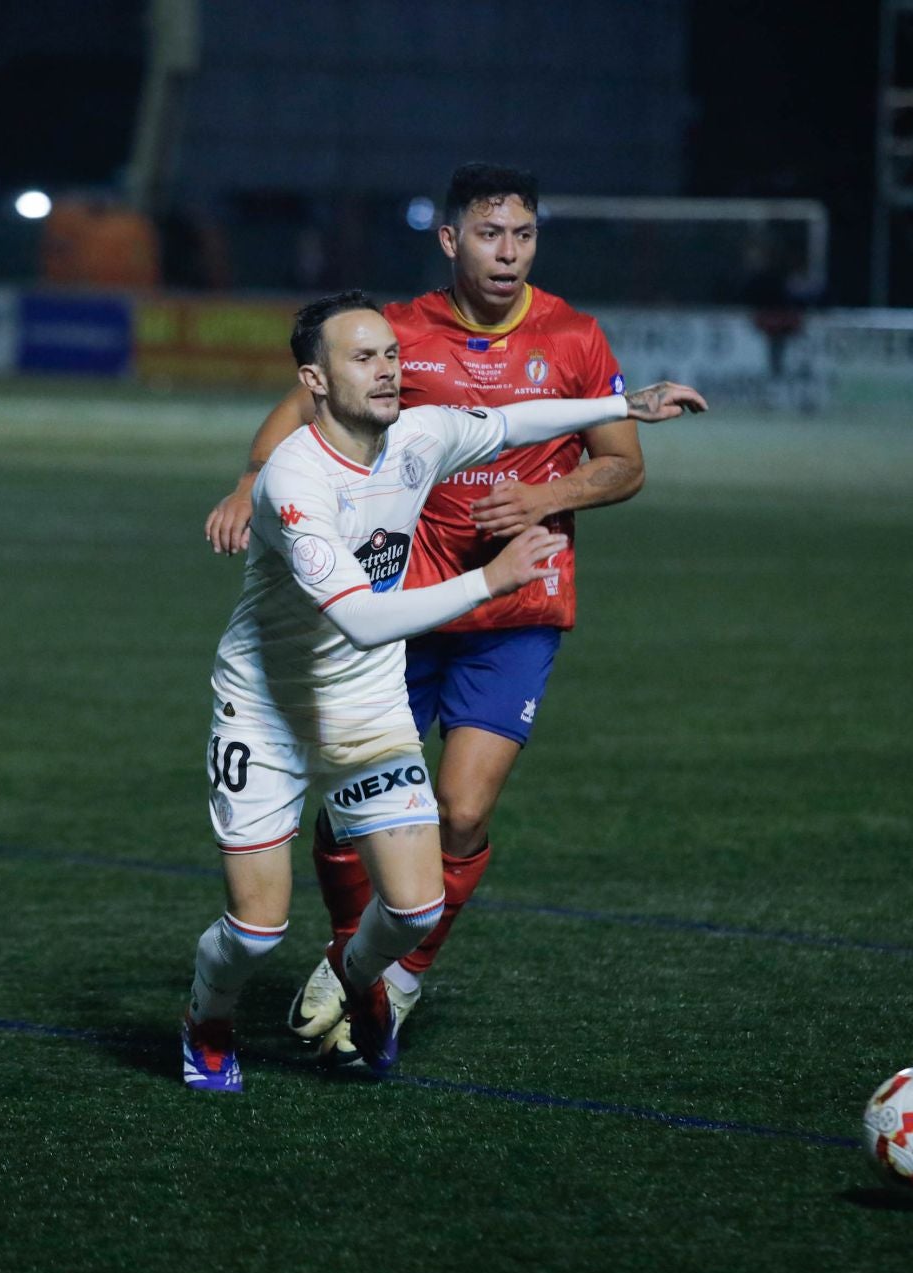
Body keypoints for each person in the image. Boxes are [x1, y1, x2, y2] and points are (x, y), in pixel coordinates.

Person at [181, 290, 704, 1092]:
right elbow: (361, 618)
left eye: (392, 355)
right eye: (364, 359)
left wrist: (622, 404)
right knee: (255, 931)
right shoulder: (294, 484)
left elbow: (511, 423)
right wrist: (489, 580)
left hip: (367, 707)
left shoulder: (418, 436)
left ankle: (360, 983)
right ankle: (207, 1024)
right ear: (314, 382)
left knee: (416, 911)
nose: (388, 371)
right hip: (269, 710)